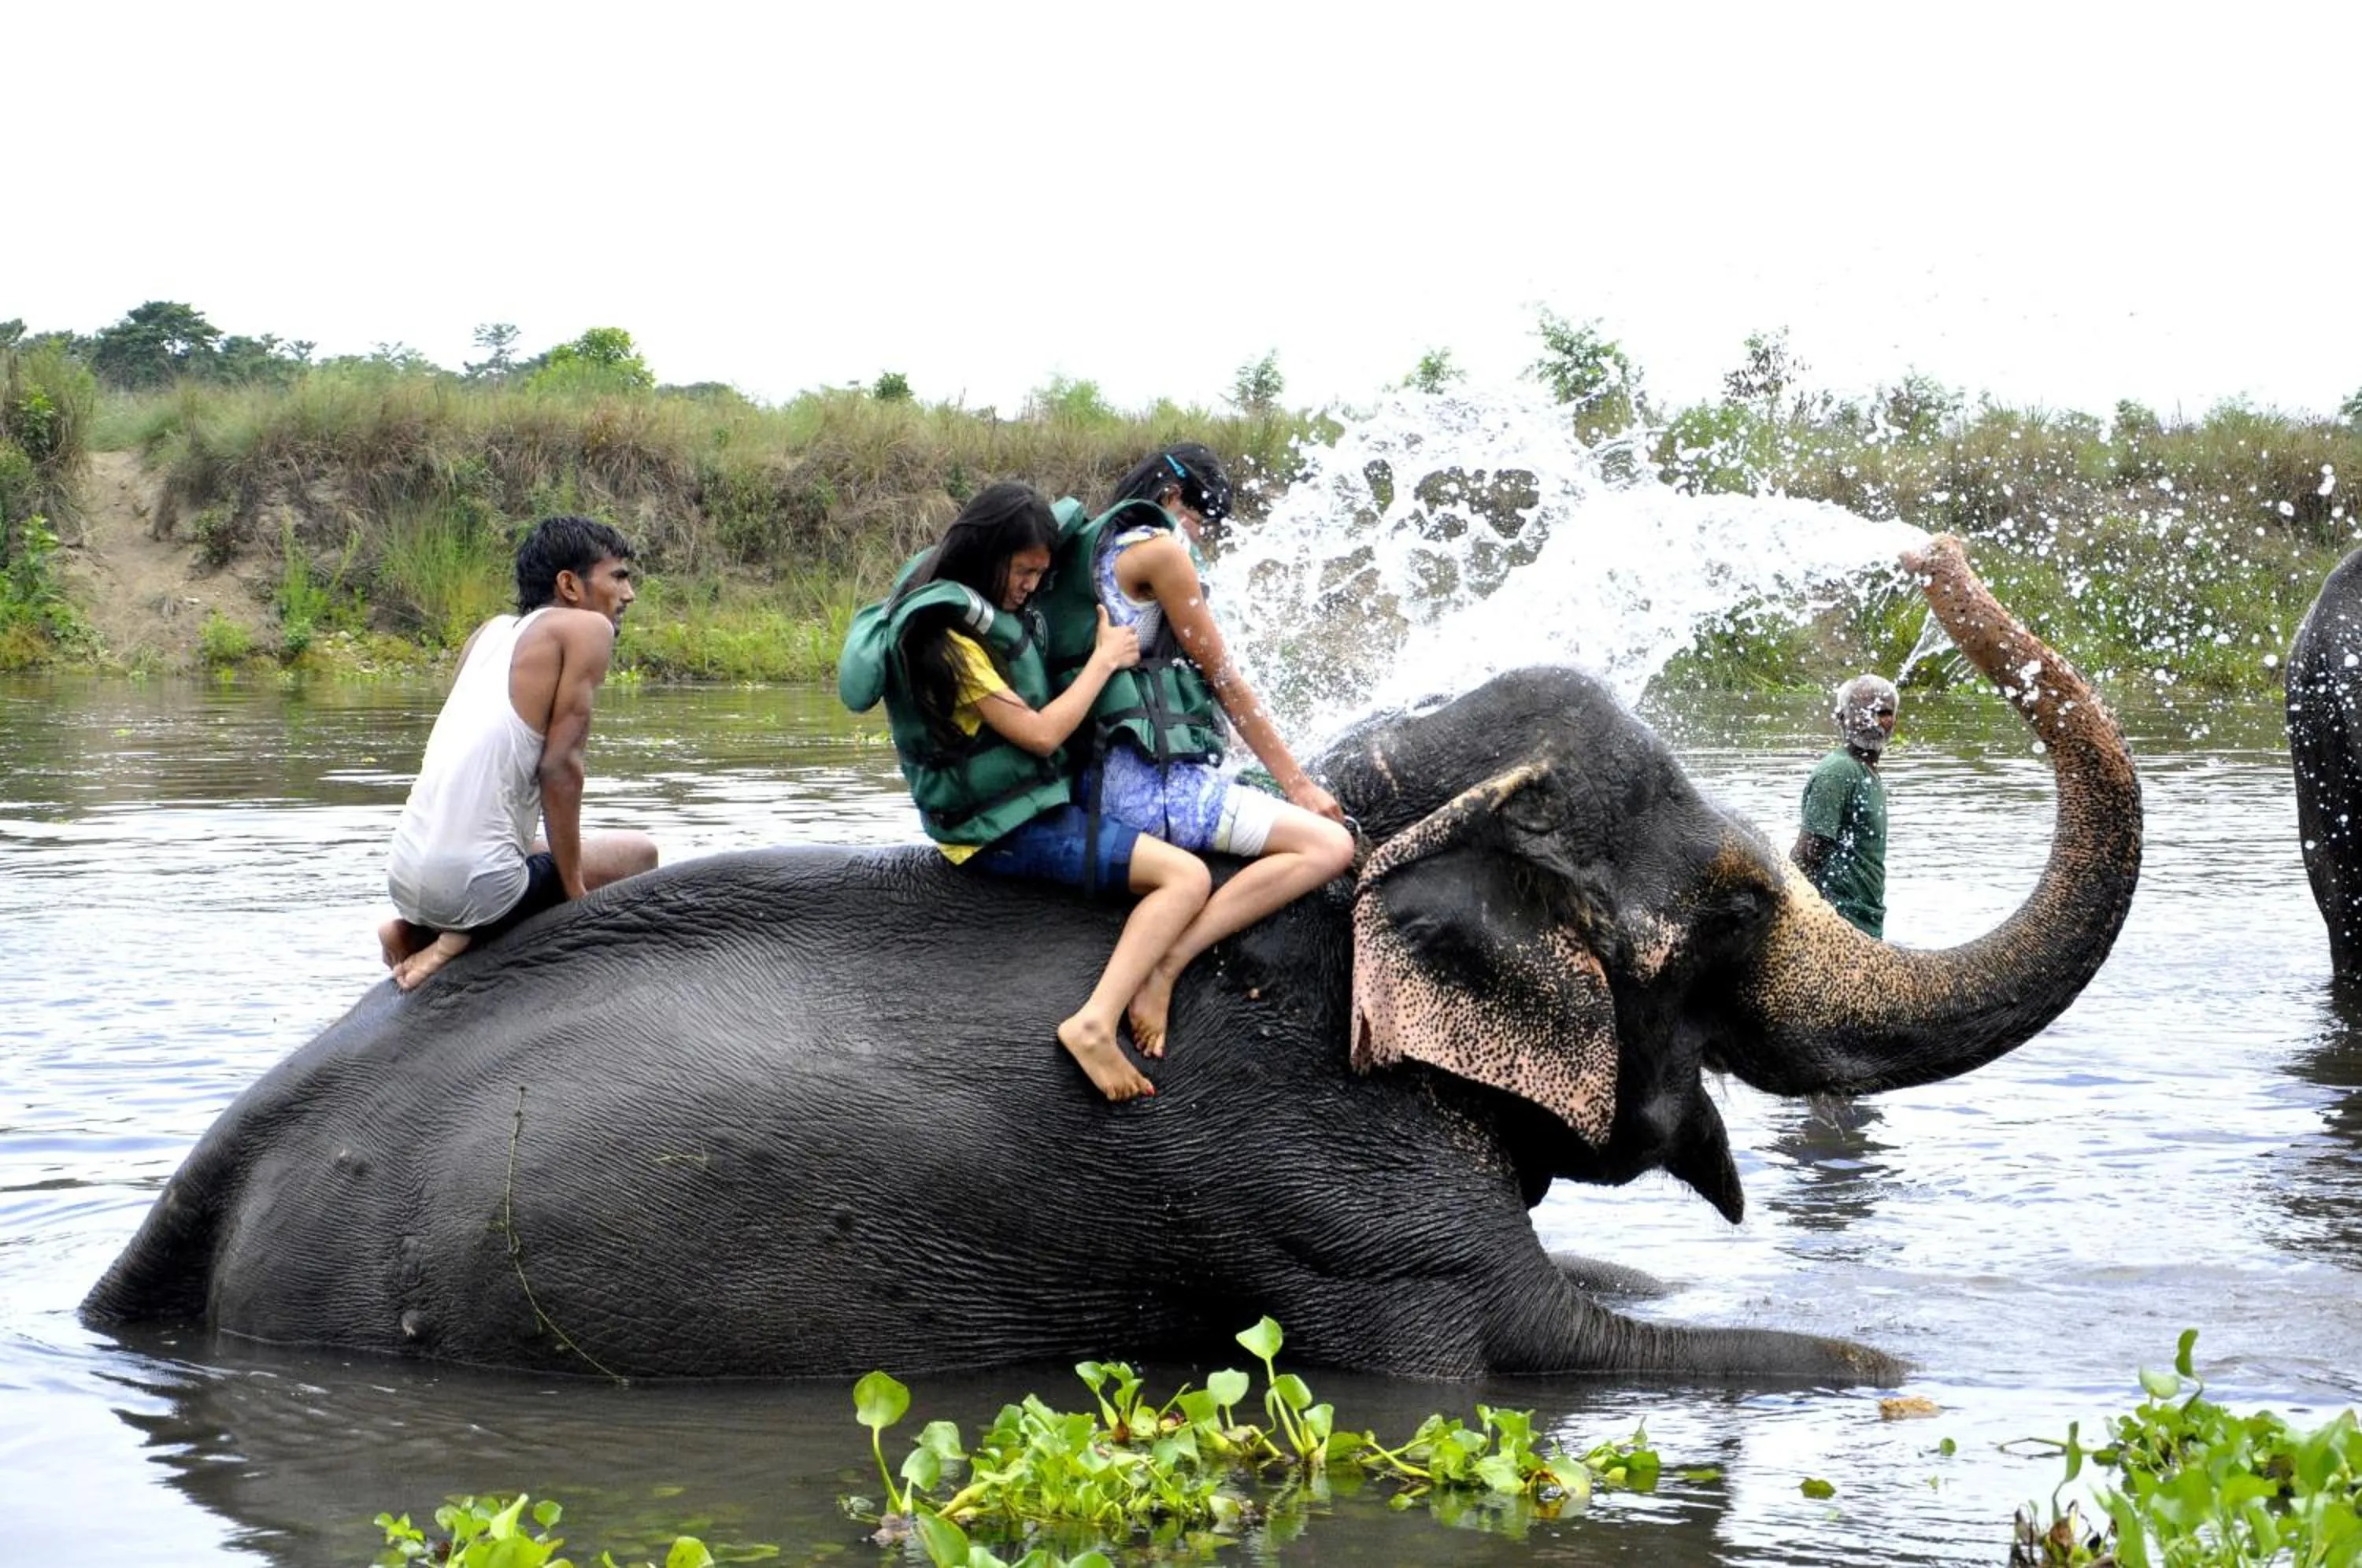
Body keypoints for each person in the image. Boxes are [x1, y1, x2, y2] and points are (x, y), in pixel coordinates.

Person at [839, 482, 1212, 1102]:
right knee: (1186, 879)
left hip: (1021, 810)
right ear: (988, 555)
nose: (1031, 587)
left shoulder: (970, 610)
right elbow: (1039, 736)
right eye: (1024, 571)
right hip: (999, 832)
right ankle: (1095, 1021)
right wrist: (1104, 660)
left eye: (1042, 573)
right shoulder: (949, 645)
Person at [1058, 445, 1357, 1055]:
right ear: (1174, 500)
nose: (1199, 539)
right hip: (1150, 796)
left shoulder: (1096, 549)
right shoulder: (1160, 551)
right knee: (1329, 844)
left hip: (1097, 779)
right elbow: (1224, 681)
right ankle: (1170, 961)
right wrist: (1299, 786)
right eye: (1203, 523)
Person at [378, 515, 660, 989]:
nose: (628, 594)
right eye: (618, 576)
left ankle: (414, 928)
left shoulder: (487, 634)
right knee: (639, 855)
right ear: (570, 585)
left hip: (404, 877)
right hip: (474, 888)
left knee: (529, 846)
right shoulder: (587, 629)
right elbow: (560, 769)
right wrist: (575, 898)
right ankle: (455, 940)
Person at [1790, 672, 1899, 938]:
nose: (1873, 720)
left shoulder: (1864, 771)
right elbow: (1806, 856)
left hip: (1864, 926)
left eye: (1883, 712)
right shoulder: (1837, 773)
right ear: (1841, 718)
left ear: (1894, 720)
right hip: (1836, 929)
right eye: (1863, 712)